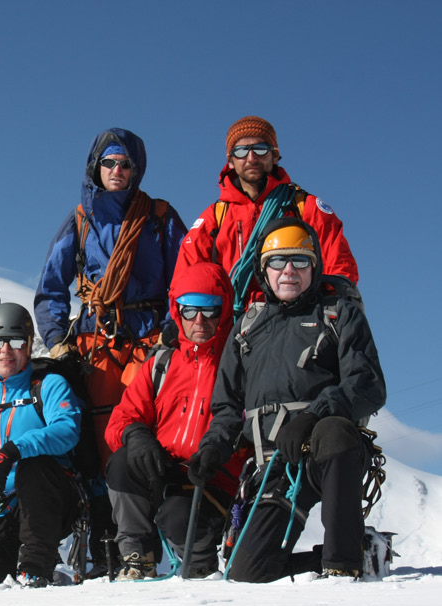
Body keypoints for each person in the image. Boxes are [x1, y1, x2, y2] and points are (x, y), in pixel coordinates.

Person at [189, 219, 386, 582]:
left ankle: (343, 563)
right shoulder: (247, 327)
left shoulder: (338, 314)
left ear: (315, 266)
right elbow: (228, 407)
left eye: (300, 260)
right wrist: (213, 449)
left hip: (325, 451)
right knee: (247, 573)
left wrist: (314, 416)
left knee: (335, 434)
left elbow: (367, 383)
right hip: (276, 463)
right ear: (264, 270)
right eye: (278, 262)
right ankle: (358, 549)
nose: (289, 271)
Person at [34, 127, 187, 574]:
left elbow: (186, 277)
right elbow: (51, 286)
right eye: (109, 164)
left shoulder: (159, 217)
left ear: (137, 170)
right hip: (98, 346)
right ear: (95, 168)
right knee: (102, 447)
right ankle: (110, 548)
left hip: (150, 345)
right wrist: (57, 340)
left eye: (125, 164)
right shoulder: (81, 220)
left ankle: (153, 546)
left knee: (149, 439)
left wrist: (171, 331)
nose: (117, 171)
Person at [104, 263, 246, 579]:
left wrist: (225, 456)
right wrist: (137, 435)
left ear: (224, 310)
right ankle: (137, 557)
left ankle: (200, 568)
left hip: (214, 475)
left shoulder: (238, 364)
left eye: (210, 310)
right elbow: (121, 420)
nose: (200, 320)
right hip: (163, 466)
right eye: (190, 310)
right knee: (122, 462)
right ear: (176, 310)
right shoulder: (161, 364)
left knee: (179, 517)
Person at [0, 303, 83, 589]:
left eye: (17, 341)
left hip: (51, 501)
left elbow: (67, 429)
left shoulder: (48, 385)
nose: (6, 351)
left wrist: (10, 452)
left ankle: (38, 566)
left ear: (29, 345)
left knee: (34, 464)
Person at [175, 115, 359, 315]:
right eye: (241, 151)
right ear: (230, 161)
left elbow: (338, 266)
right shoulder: (215, 217)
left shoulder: (305, 207)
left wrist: (328, 310)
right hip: (233, 322)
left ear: (275, 156)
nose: (251, 158)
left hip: (294, 318)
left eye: (260, 149)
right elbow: (186, 277)